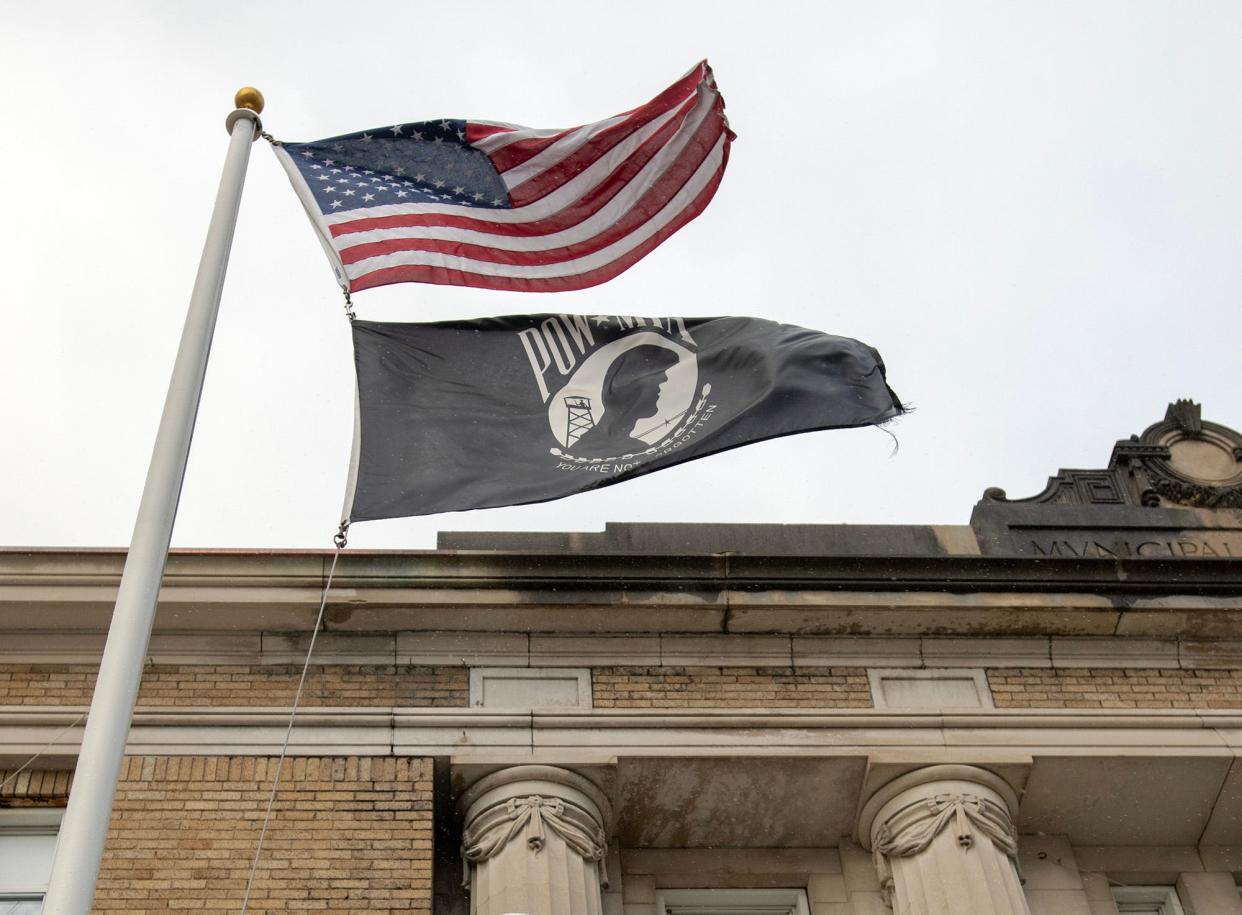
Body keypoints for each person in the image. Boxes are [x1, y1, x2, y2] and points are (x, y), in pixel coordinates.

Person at [572, 345, 679, 457]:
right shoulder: (584, 452)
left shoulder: (639, 450)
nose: (659, 391)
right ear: (631, 390)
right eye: (656, 383)